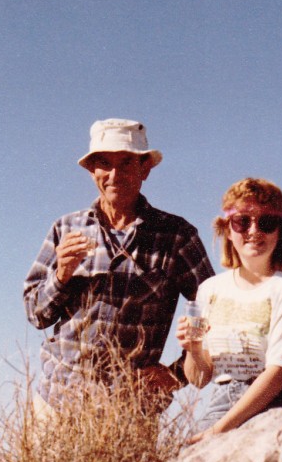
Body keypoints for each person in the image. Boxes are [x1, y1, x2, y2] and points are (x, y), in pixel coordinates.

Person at [24, 118, 214, 416]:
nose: (114, 174)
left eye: (126, 163)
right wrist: (60, 275)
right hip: (58, 402)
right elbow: (35, 314)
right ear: (91, 170)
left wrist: (176, 374)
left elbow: (212, 307)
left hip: (132, 410)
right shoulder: (66, 228)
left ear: (145, 169)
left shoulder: (176, 235)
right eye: (104, 163)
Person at [177, 178, 282, 439]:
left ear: (280, 230)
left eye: (266, 222)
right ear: (228, 230)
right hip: (222, 402)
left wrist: (219, 430)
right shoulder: (210, 289)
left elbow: (279, 372)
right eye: (242, 221)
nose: (254, 231)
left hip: (280, 402)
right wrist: (194, 349)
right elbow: (198, 379)